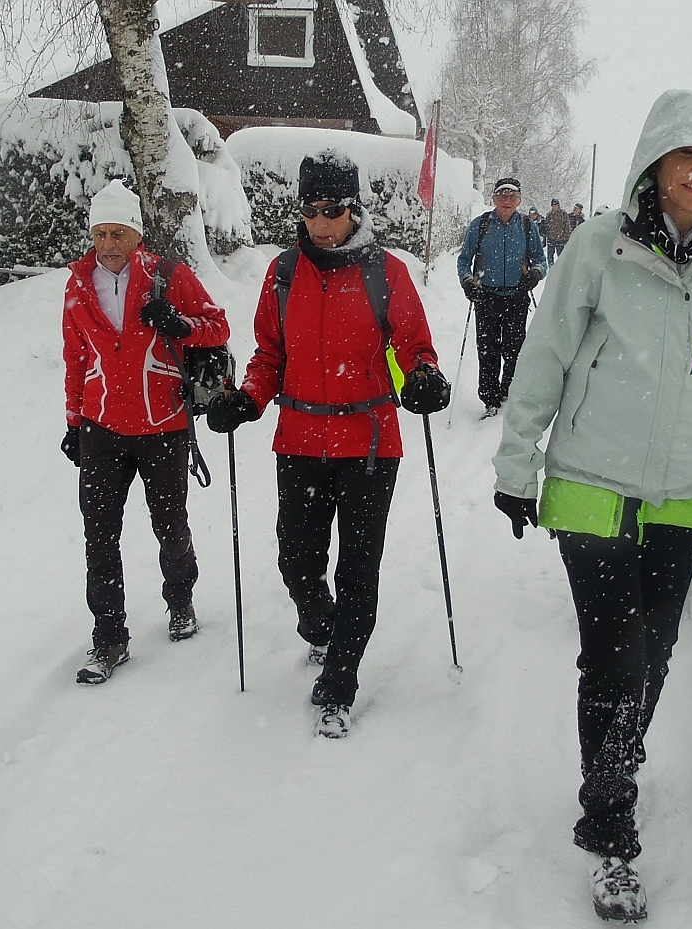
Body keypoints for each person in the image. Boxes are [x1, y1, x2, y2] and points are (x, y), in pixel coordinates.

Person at [491, 90, 692, 923]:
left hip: (687, 493)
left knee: (654, 657)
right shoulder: (598, 246)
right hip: (590, 481)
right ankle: (611, 822)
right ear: (655, 159)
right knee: (616, 655)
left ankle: (616, 755)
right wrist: (518, 464)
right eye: (687, 154)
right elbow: (544, 354)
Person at [206, 150, 450, 738]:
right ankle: (320, 626)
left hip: (369, 445)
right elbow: (270, 355)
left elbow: (414, 345)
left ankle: (339, 681)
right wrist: (247, 398)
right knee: (297, 562)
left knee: (358, 569)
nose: (321, 222)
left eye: (332, 210)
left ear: (353, 209)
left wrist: (423, 377)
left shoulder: (385, 272)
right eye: (310, 210)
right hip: (299, 440)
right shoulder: (284, 272)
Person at [61, 179, 230, 685]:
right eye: (100, 233)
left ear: (137, 236)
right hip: (101, 428)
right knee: (99, 535)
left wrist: (180, 325)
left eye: (119, 233)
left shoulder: (168, 275)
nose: (108, 244)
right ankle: (109, 636)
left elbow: (218, 326)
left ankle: (181, 601)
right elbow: (76, 359)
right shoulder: (77, 283)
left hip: (162, 427)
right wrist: (74, 421)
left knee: (169, 523)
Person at [457, 177, 546, 419]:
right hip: (486, 296)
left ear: (519, 200)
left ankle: (508, 392)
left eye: (511, 196)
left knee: (515, 349)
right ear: (494, 198)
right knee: (488, 350)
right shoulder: (481, 225)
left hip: (517, 296)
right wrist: (467, 282)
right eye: (502, 195)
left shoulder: (527, 226)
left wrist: (536, 274)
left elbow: (540, 260)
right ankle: (490, 399)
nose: (506, 200)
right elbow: (464, 260)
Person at [543, 198, 572, 266]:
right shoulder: (549, 215)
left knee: (561, 256)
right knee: (550, 256)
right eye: (553, 206)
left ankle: (560, 268)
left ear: (558, 206)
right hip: (551, 238)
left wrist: (566, 237)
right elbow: (546, 226)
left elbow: (567, 226)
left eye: (556, 206)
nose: (554, 207)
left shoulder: (563, 214)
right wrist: (546, 235)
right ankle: (551, 268)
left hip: (560, 239)